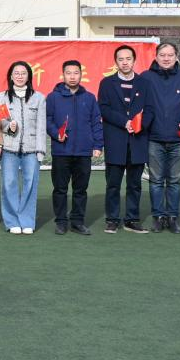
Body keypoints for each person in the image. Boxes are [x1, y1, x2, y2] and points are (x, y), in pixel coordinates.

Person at [141, 42, 180, 233]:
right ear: (156, 56)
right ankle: (158, 217)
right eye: (162, 55)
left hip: (179, 140)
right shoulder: (145, 77)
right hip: (154, 139)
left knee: (174, 181)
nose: (166, 58)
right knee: (156, 181)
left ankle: (172, 217)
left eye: (170, 55)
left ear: (176, 57)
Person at [98, 45, 153, 234]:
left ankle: (132, 219)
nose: (125, 62)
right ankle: (112, 219)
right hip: (115, 140)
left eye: (128, 59)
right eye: (121, 59)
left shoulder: (144, 83)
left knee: (134, 184)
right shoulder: (107, 83)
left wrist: (139, 125)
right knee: (113, 184)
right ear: (116, 62)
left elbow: (150, 109)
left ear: (134, 60)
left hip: (137, 141)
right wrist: (125, 122)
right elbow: (104, 108)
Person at [45, 60, 103, 235]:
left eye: (76, 73)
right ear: (63, 75)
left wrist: (98, 144)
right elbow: (47, 120)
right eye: (68, 73)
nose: (72, 76)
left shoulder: (89, 98)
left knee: (80, 189)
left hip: (83, 152)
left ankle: (77, 222)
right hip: (61, 151)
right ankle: (61, 222)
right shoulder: (53, 97)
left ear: (81, 75)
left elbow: (96, 122)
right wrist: (56, 133)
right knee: (60, 189)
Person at [0, 60, 46, 234]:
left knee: (30, 184)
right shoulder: (1, 97)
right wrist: (9, 127)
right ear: (11, 76)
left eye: (23, 73)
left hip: (31, 149)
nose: (20, 76)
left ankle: (27, 221)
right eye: (16, 73)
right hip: (9, 148)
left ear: (29, 76)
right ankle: (12, 221)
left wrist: (40, 150)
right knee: (9, 184)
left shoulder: (39, 98)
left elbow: (41, 127)